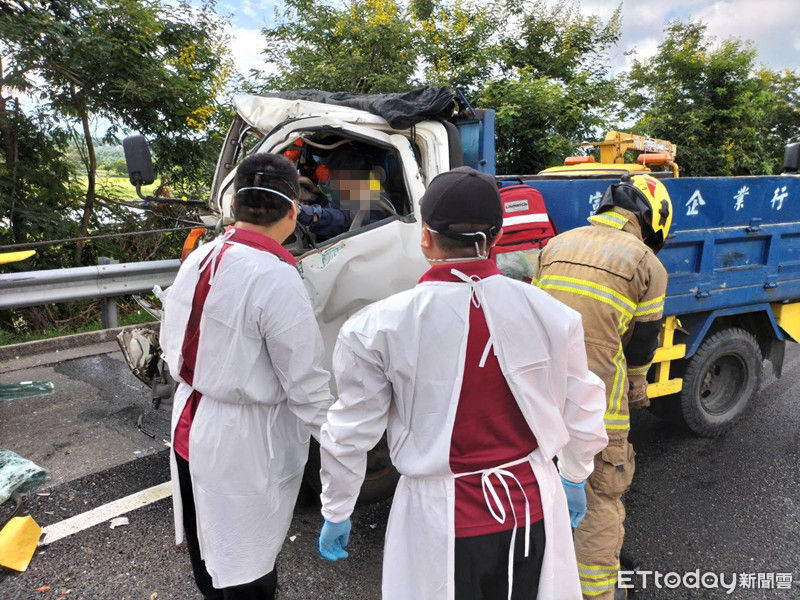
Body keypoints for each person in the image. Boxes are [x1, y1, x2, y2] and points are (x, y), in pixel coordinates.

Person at [316, 166, 609, 600]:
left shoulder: (376, 327)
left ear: (425, 236)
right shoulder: (551, 314)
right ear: (498, 235)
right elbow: (583, 405)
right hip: (532, 508)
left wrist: (337, 507)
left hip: (437, 518)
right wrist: (575, 474)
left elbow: (349, 431)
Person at [159, 152, 334, 599]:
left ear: (234, 206)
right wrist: (346, 451)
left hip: (190, 424)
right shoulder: (277, 277)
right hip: (243, 441)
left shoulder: (199, 258)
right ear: (293, 211)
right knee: (247, 563)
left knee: (207, 552)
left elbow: (171, 344)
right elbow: (307, 386)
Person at [535, 173, 672, 600]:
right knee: (598, 506)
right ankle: (596, 592)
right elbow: (642, 344)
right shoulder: (646, 263)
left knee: (541, 493)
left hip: (535, 403)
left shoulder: (555, 244)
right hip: (596, 413)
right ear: (652, 220)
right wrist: (637, 386)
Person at [296, 146, 394, 240]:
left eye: (335, 174)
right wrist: (314, 197)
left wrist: (313, 215)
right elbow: (334, 207)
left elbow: (344, 219)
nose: (332, 179)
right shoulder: (354, 189)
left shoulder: (376, 201)